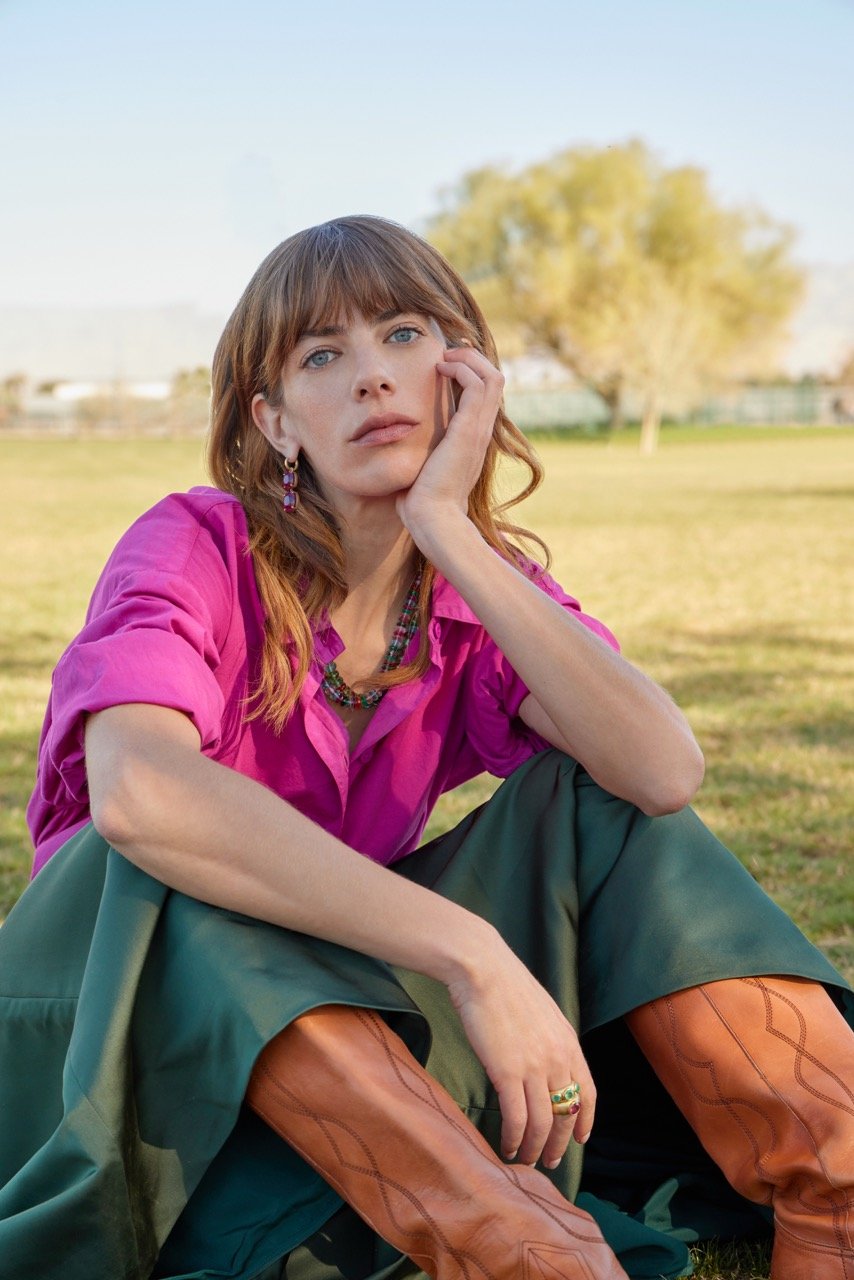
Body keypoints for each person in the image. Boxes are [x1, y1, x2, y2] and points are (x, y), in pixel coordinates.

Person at [1, 215, 852, 1280]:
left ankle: (834, 1198)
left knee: (602, 805)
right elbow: (140, 796)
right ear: (273, 420)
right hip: (145, 1057)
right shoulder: (193, 541)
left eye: (403, 335)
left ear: (463, 373)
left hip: (362, 1046)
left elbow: (658, 769)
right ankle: (524, 1250)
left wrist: (448, 527)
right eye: (323, 355)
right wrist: (471, 950)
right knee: (186, 863)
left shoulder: (463, 589)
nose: (371, 378)